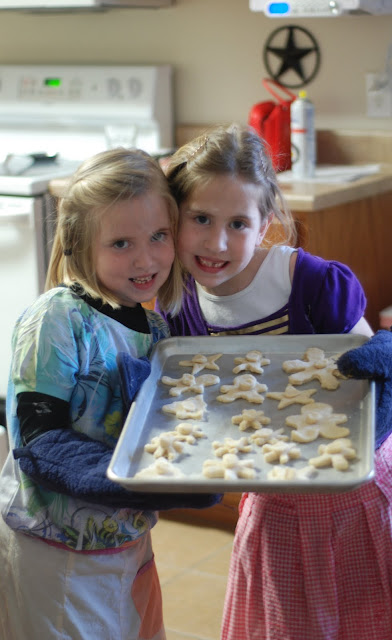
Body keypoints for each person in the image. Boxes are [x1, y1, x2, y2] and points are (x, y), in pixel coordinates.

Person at [156, 123, 392, 639]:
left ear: (265, 225)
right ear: (175, 217)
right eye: (200, 218)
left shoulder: (313, 284)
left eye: (238, 223)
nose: (216, 241)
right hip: (276, 503)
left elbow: (370, 390)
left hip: (360, 496)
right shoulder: (179, 301)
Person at [0, 148, 219, 640]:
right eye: (121, 243)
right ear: (81, 245)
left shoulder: (156, 329)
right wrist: (147, 484)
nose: (146, 259)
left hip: (124, 539)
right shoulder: (58, 319)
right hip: (53, 551)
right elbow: (39, 441)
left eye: (159, 236)